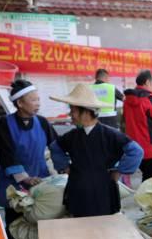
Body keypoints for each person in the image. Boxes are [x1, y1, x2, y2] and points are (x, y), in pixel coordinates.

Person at [0, 79, 67, 239]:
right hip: (14, 183)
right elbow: (6, 154)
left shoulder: (42, 122)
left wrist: (65, 168)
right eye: (33, 100)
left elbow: (56, 147)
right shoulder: (5, 123)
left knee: (41, 224)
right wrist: (24, 178)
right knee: (13, 225)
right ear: (20, 103)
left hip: (40, 180)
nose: (38, 103)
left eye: (38, 99)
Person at [51, 85, 143, 217]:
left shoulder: (111, 135)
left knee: (103, 227)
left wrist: (120, 171)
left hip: (103, 190)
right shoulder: (72, 136)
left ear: (87, 112)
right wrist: (64, 166)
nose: (71, 114)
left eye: (73, 110)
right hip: (77, 190)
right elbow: (55, 147)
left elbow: (136, 151)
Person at [123, 70, 152, 180]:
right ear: (147, 82)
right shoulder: (150, 99)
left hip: (135, 147)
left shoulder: (128, 100)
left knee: (146, 178)